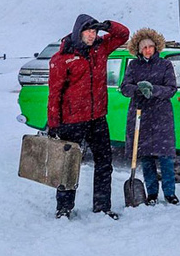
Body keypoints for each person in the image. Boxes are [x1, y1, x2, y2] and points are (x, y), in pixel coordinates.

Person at [47, 14, 129, 220]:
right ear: (79, 32)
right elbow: (54, 93)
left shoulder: (100, 49)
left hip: (98, 118)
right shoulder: (63, 58)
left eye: (95, 31)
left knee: (104, 162)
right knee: (69, 163)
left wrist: (108, 25)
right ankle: (64, 208)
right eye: (88, 31)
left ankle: (102, 206)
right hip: (72, 121)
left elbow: (123, 35)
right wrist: (54, 123)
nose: (93, 35)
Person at [119, 28, 180, 206]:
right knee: (146, 158)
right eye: (144, 47)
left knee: (166, 158)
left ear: (156, 47)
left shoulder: (165, 65)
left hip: (162, 117)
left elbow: (171, 89)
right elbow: (125, 88)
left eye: (151, 47)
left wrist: (153, 90)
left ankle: (170, 193)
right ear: (138, 49)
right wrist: (138, 89)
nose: (148, 50)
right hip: (141, 115)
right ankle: (151, 193)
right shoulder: (133, 66)